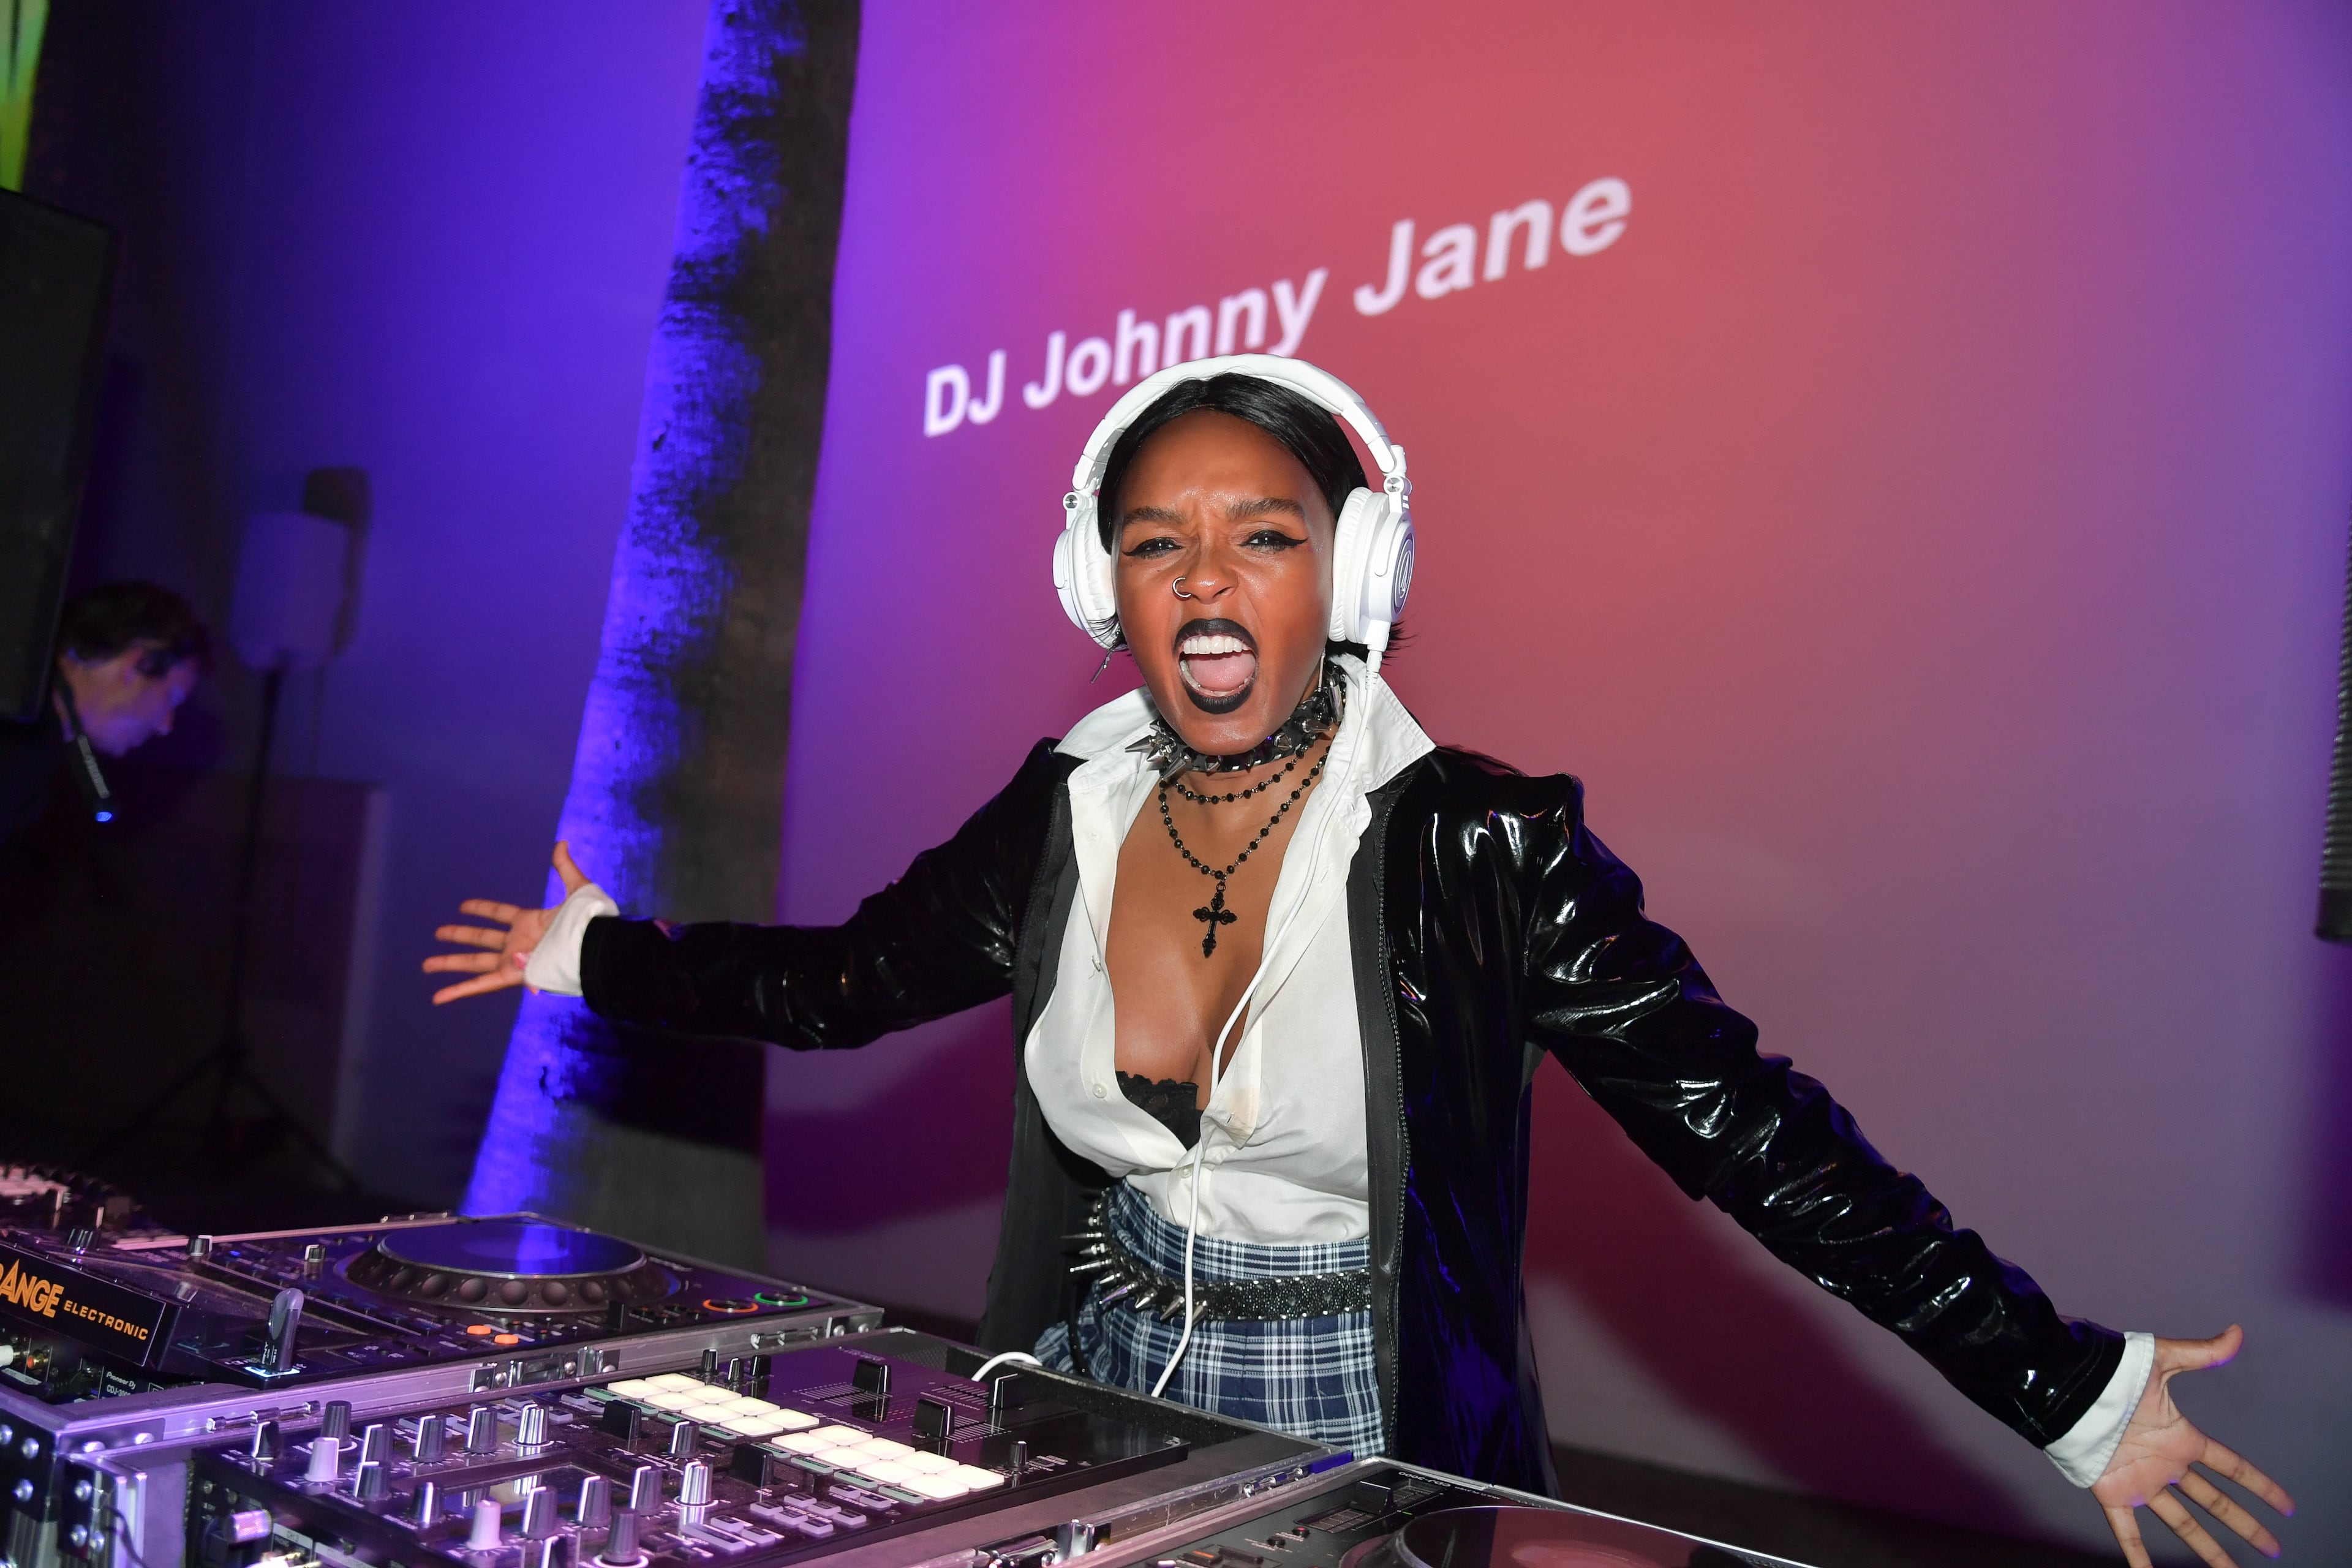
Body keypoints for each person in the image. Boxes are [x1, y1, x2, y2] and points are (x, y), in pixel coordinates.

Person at [426, 358, 2289, 1568]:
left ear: (1352, 570)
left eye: (1263, 534)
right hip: (1081, 1368)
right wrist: (597, 955)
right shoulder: (1061, 804)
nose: (1206, 580)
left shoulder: (1481, 843)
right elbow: (838, 985)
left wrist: (2069, 1387)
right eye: (1156, 543)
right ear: (1104, 587)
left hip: (1354, 1415)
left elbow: (1762, 1142)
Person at [0, 580, 208, 846]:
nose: (165, 726)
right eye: (172, 698)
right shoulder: (21, 744)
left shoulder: (31, 726)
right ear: (137, 664)